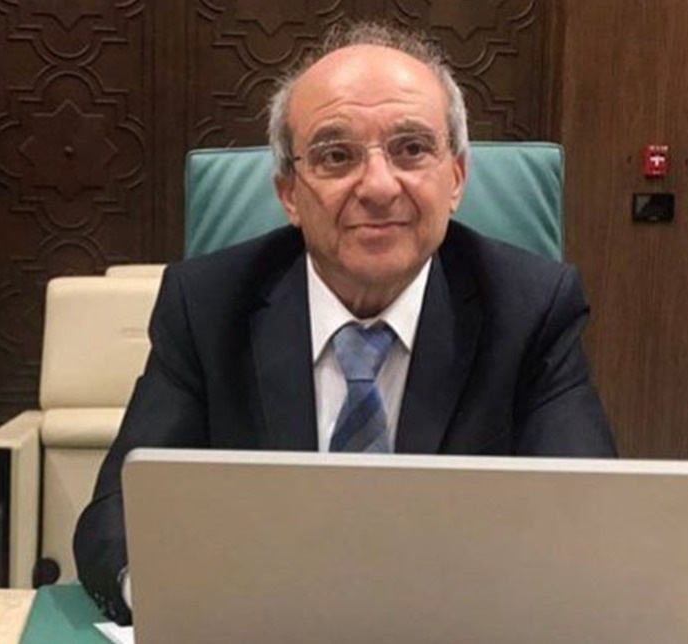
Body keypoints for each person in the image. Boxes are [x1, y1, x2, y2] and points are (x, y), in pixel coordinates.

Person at [73, 21, 617, 624]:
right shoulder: (207, 306)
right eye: (336, 156)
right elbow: (118, 517)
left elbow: (588, 520)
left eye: (412, 149)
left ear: (457, 178)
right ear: (289, 192)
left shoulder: (532, 308)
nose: (379, 187)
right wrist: (175, 598)